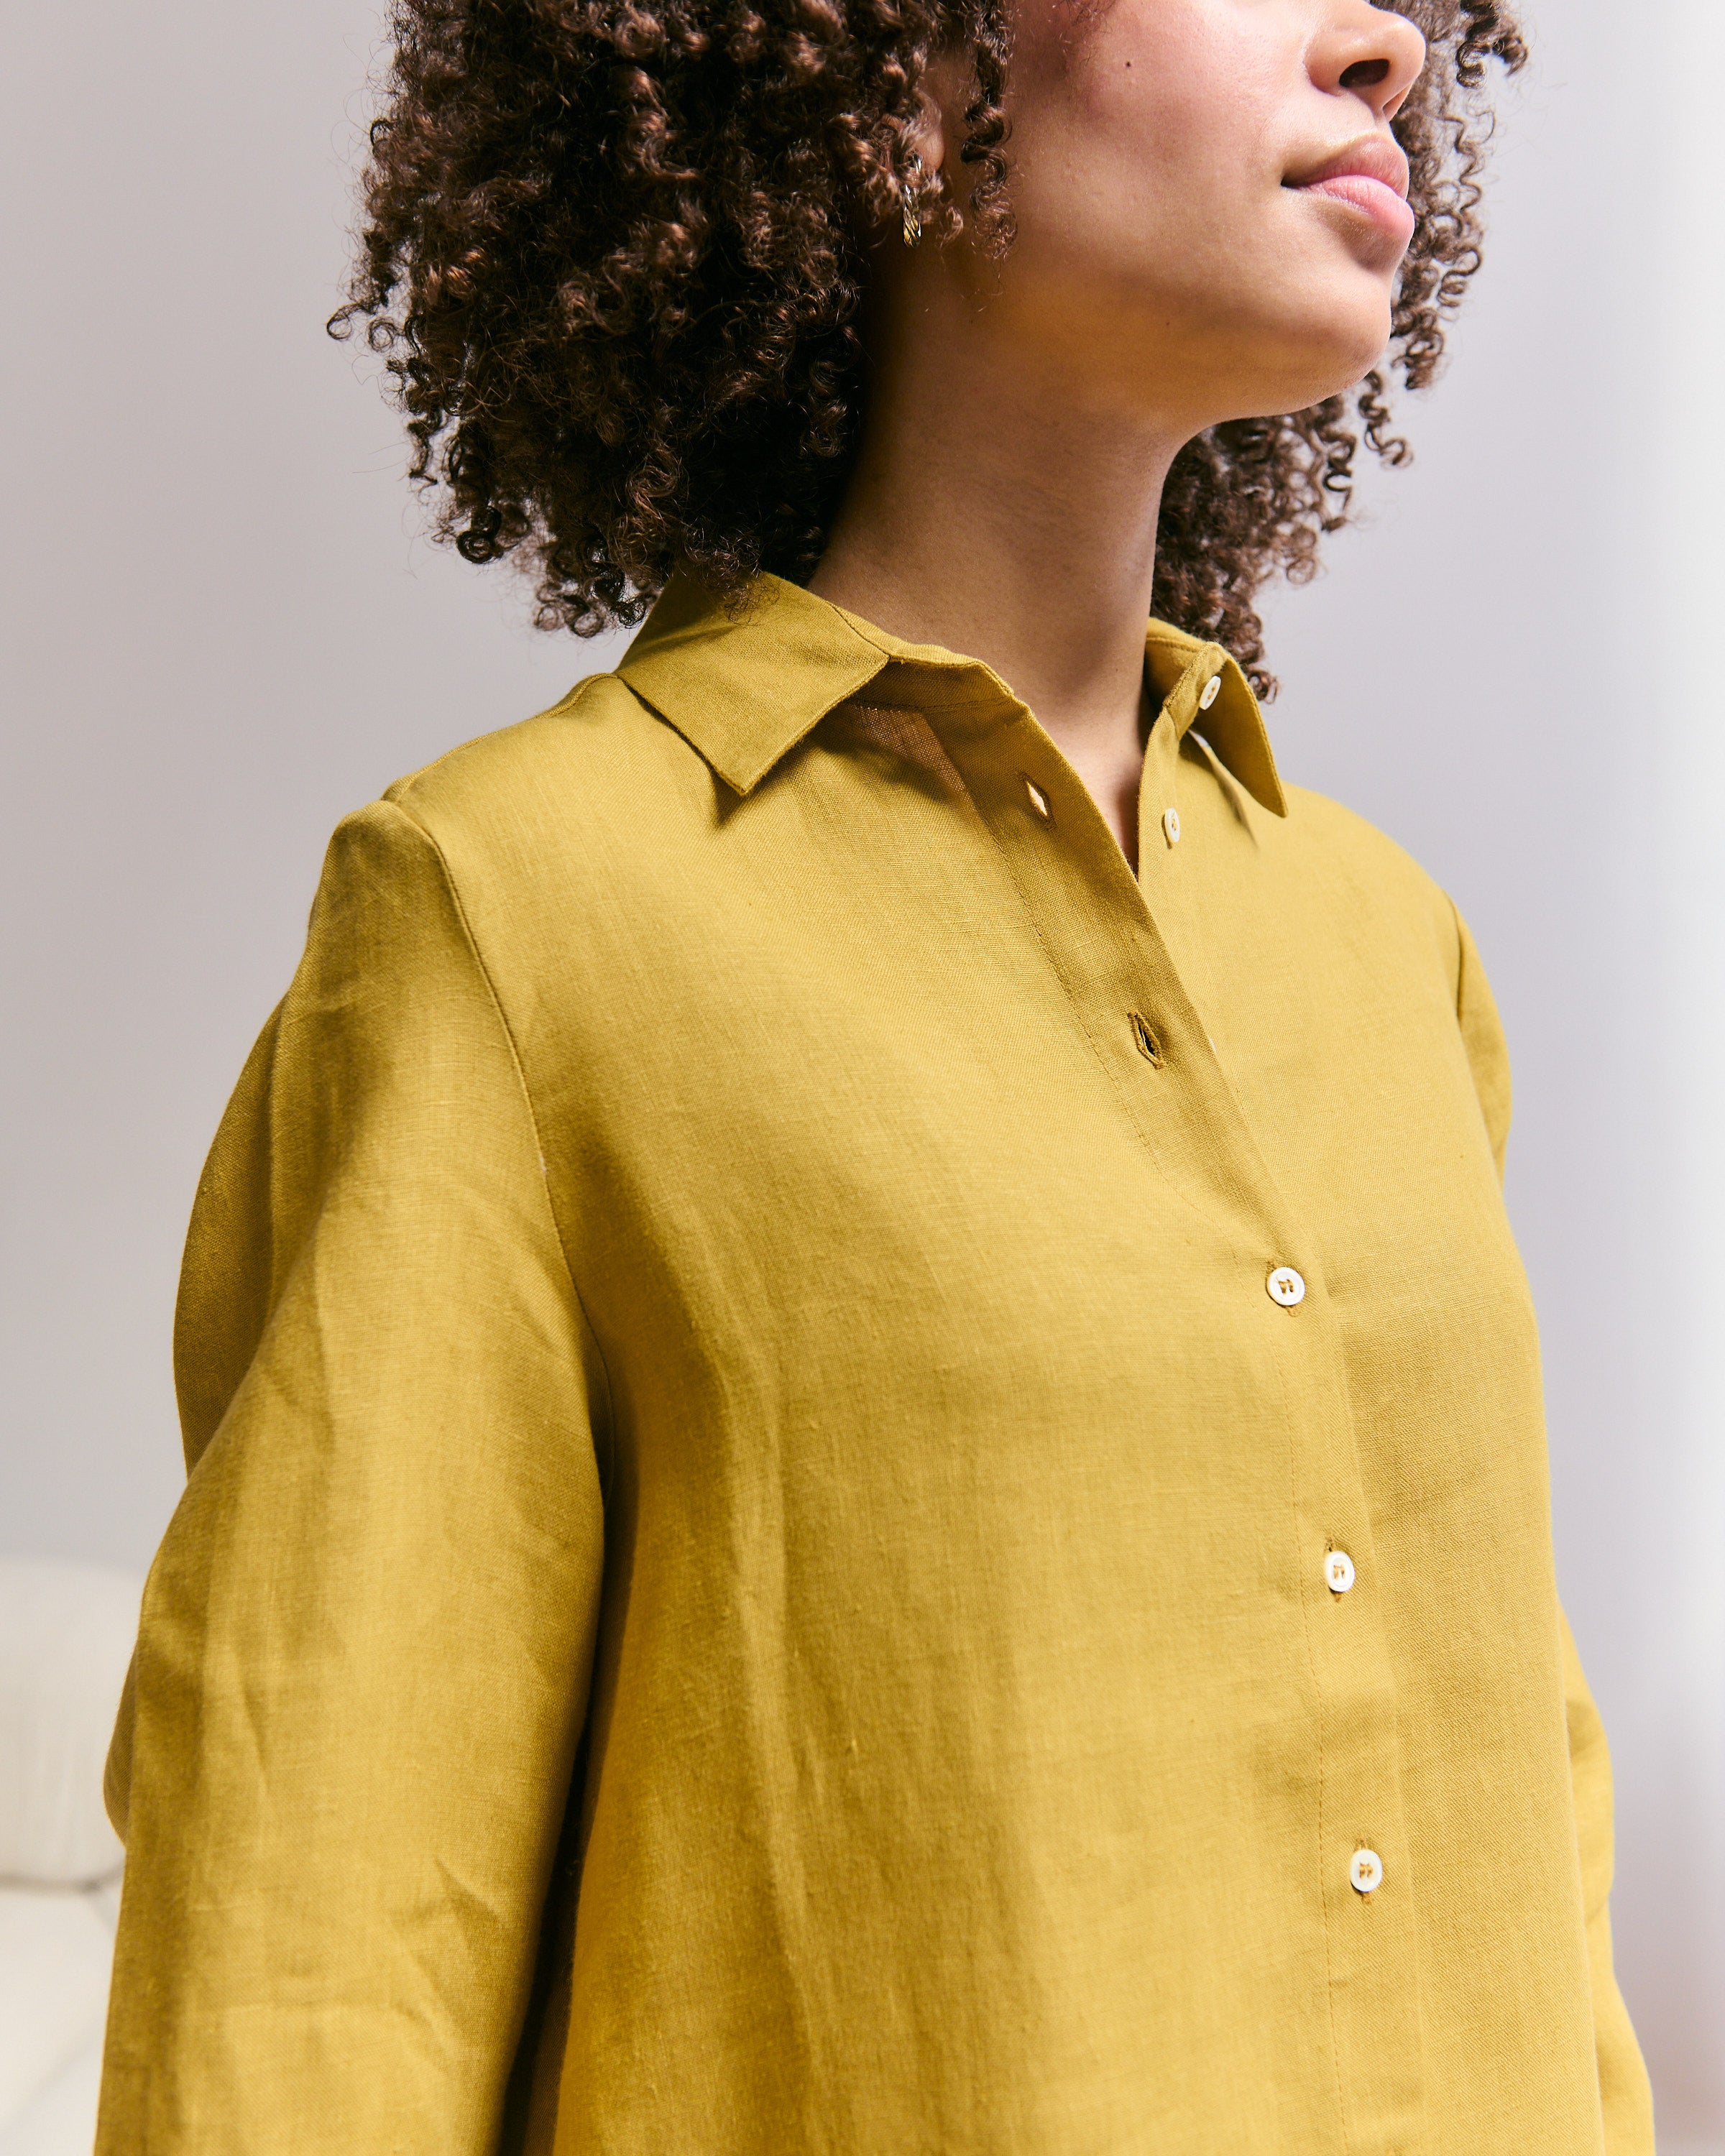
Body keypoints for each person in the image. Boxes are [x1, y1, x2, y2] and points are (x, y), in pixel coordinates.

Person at [97, 0, 1655, 2148]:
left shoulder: (1389, 952)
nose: (1389, 42)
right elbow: (314, 1982)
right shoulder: (517, 924)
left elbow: (1536, 1866)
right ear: (909, 65)